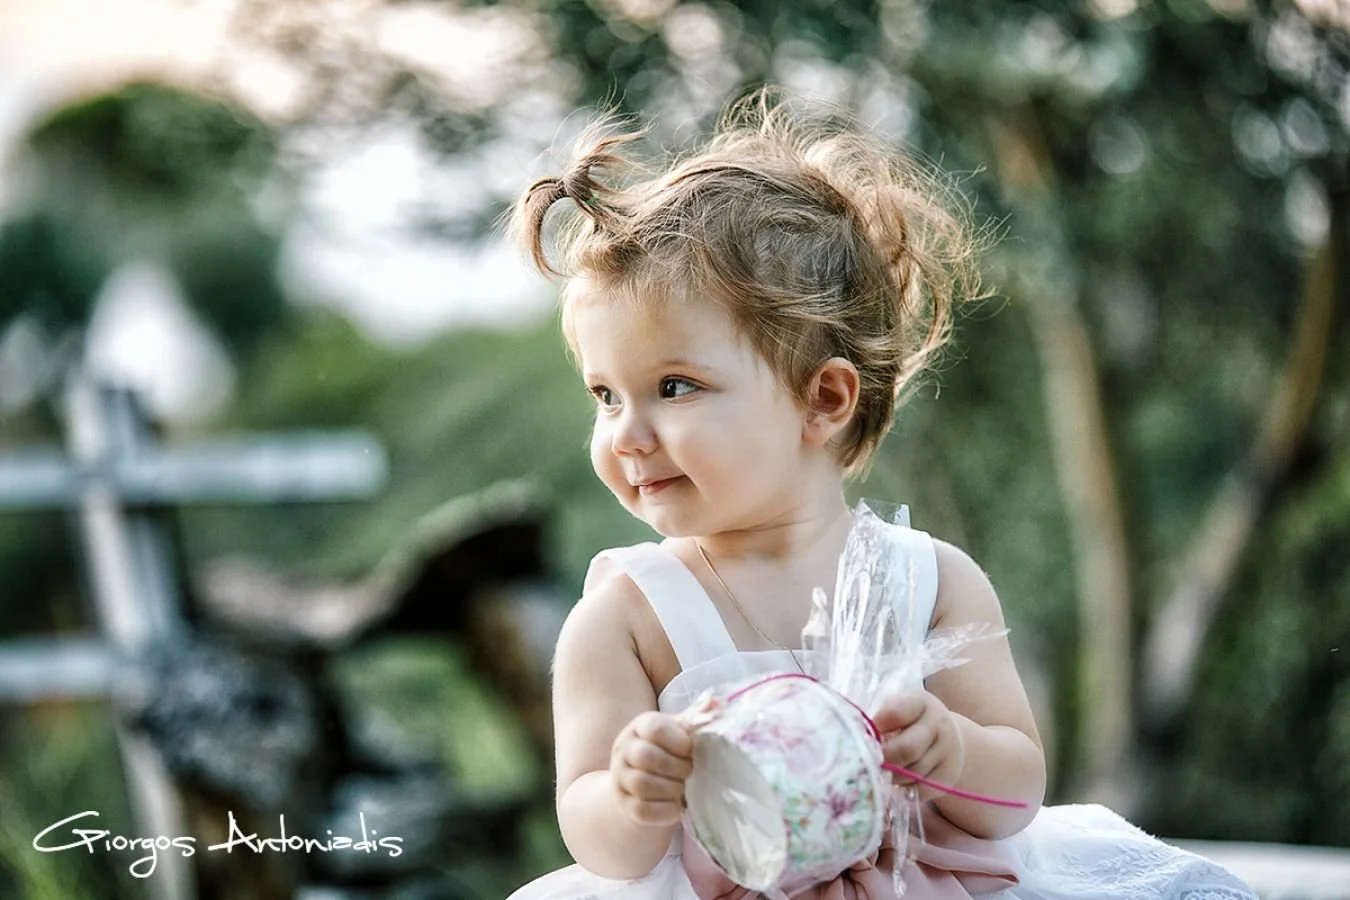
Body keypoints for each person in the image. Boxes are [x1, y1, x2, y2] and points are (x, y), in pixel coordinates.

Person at [504, 93, 1256, 900]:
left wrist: (953, 753)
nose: (626, 434)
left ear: (823, 400)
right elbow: (597, 841)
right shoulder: (627, 620)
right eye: (606, 396)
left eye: (674, 387)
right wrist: (629, 794)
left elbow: (1016, 797)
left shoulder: (929, 581)